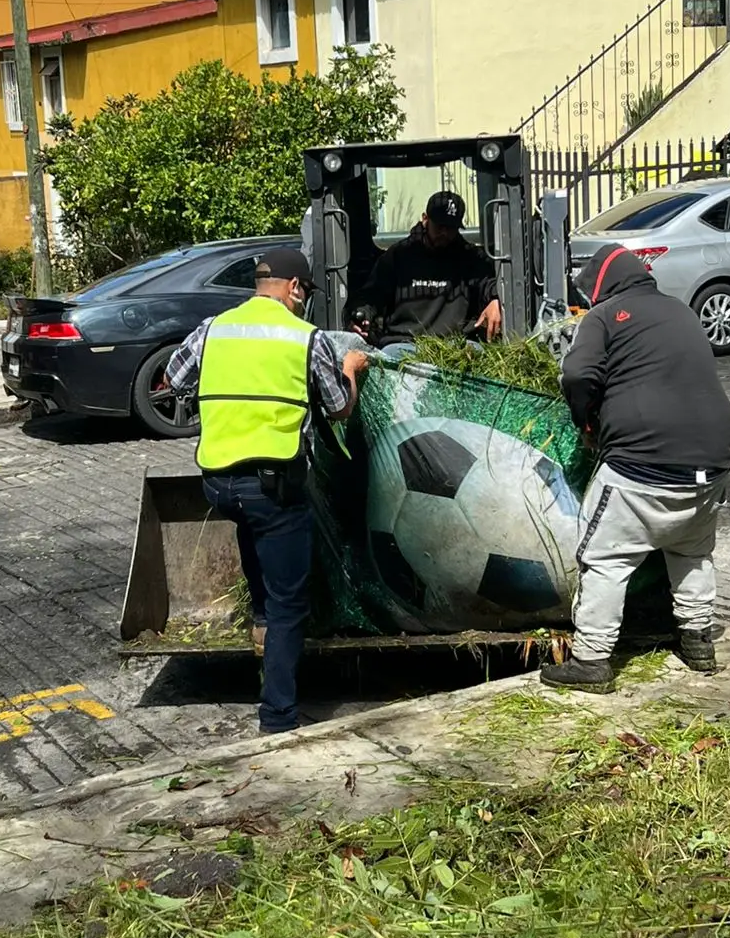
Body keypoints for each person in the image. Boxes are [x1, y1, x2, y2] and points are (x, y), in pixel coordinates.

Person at [165, 247, 368, 734]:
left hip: (218, 484)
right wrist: (351, 370)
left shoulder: (214, 330)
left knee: (250, 526)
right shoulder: (305, 338)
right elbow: (339, 408)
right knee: (289, 604)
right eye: (306, 294)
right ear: (295, 288)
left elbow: (173, 379)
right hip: (273, 487)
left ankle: (257, 617)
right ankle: (277, 717)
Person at [542, 242, 730, 694]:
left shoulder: (604, 316)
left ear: (601, 287)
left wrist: (584, 418)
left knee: (605, 557)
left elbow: (576, 375)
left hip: (641, 463)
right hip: (712, 462)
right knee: (691, 551)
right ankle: (698, 642)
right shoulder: (681, 310)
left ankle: (590, 661)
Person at [350, 190, 502, 347]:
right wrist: (361, 315)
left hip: (456, 345)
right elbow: (372, 294)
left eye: (451, 228)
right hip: (404, 343)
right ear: (425, 219)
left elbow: (488, 282)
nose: (444, 233)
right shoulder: (399, 255)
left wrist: (495, 299)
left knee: (476, 352)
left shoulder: (471, 257)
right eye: (440, 226)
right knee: (390, 354)